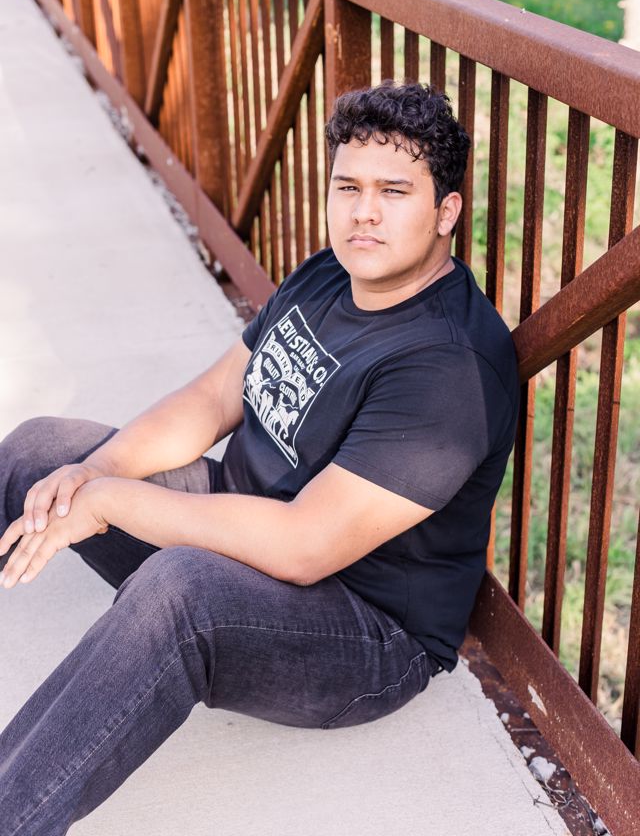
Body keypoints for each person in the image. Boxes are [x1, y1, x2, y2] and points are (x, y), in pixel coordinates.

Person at [0, 81, 519, 835]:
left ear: (446, 211)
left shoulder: (449, 369)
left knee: (181, 593)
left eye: (393, 192)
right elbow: (215, 396)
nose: (363, 212)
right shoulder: (331, 273)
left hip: (361, 623)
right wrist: (96, 473)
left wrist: (110, 503)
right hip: (244, 513)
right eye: (348, 187)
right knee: (43, 453)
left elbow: (305, 547)